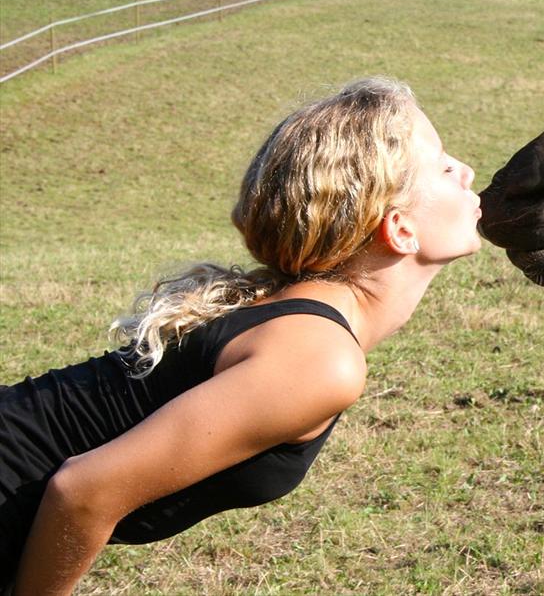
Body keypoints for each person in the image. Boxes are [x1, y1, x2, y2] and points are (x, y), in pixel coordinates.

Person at [0, 78, 481, 594]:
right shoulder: (319, 359)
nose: (467, 171)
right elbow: (82, 493)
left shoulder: (303, 323)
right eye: (443, 166)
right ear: (400, 228)